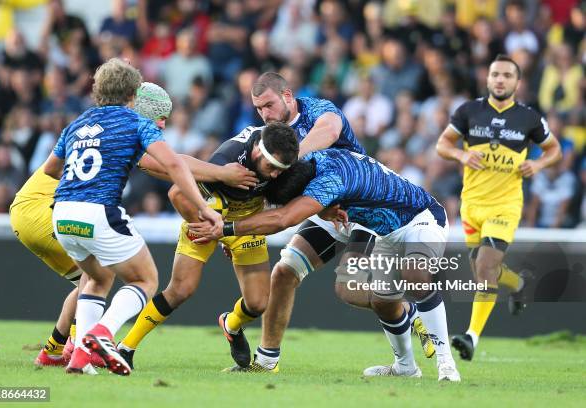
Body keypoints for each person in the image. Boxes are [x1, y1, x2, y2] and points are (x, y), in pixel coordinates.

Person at [10, 81, 256, 368]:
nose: (163, 123)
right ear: (141, 108)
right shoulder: (126, 128)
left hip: (29, 211)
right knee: (109, 277)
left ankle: (55, 351)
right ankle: (83, 346)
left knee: (88, 280)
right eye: (160, 114)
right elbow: (169, 165)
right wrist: (222, 174)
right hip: (46, 208)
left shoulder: (94, 122)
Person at [189, 148, 461, 381]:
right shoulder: (310, 161)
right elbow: (284, 207)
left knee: (407, 278)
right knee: (293, 274)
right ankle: (269, 360)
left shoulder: (326, 175)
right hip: (354, 214)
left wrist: (225, 230)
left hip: (417, 217)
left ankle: (446, 365)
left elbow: (284, 218)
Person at [242, 72, 435, 372]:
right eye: (258, 109)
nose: (265, 114)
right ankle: (266, 362)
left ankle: (405, 311)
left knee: (349, 289)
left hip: (362, 210)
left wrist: (293, 157)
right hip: (325, 210)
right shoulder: (267, 137)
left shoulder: (319, 110)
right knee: (283, 273)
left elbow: (329, 132)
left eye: (268, 105)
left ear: (288, 97)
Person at [43, 58, 223, 376]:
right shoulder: (135, 122)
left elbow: (50, 169)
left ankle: (80, 359)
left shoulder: (77, 123)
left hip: (62, 214)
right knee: (145, 279)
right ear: (133, 94)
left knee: (98, 279)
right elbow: (174, 165)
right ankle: (103, 333)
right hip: (98, 211)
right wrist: (205, 208)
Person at [116, 122, 299, 370]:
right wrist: (206, 227)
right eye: (272, 168)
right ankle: (125, 348)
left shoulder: (283, 161)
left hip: (247, 224)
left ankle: (231, 325)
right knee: (181, 289)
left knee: (257, 303)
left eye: (282, 169)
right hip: (205, 218)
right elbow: (176, 195)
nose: (277, 174)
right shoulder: (227, 159)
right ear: (258, 151)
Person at [436, 54, 561, 361]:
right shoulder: (469, 111)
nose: (500, 80)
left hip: (505, 205)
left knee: (484, 269)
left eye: (507, 75)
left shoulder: (529, 118)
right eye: (495, 74)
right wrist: (462, 156)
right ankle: (518, 283)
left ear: (518, 82)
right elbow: (443, 144)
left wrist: (539, 163)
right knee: (485, 271)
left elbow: (554, 149)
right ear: (488, 79)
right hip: (472, 205)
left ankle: (471, 338)